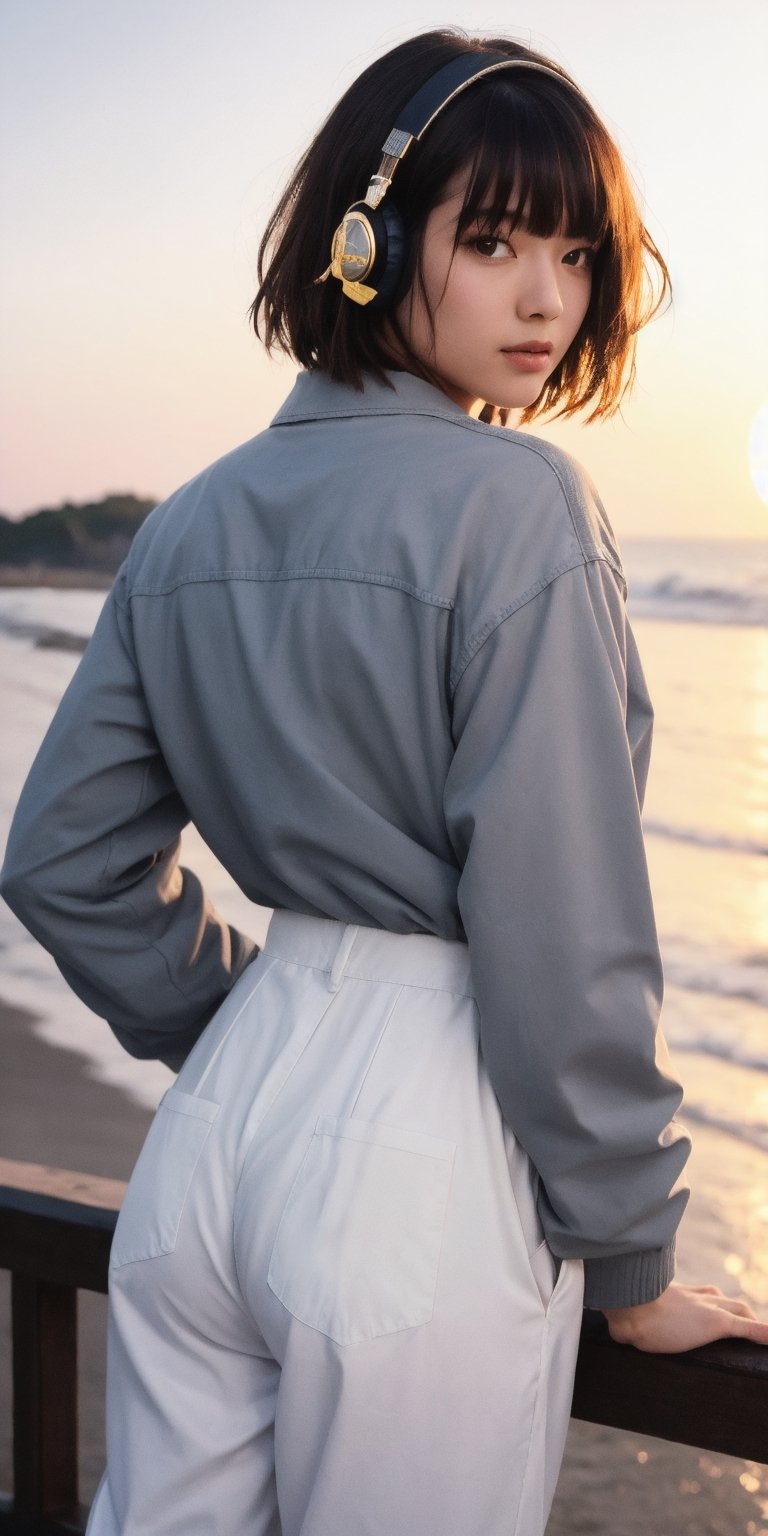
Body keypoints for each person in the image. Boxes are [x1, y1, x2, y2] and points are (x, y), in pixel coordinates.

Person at [3, 27, 767, 1536]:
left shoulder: (190, 520)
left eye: (576, 250)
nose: (549, 296)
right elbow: (563, 937)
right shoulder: (524, 509)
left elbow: (60, 860)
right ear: (369, 235)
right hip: (424, 1163)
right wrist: (632, 1257)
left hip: (216, 1132)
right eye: (492, 242)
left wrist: (247, 1031)